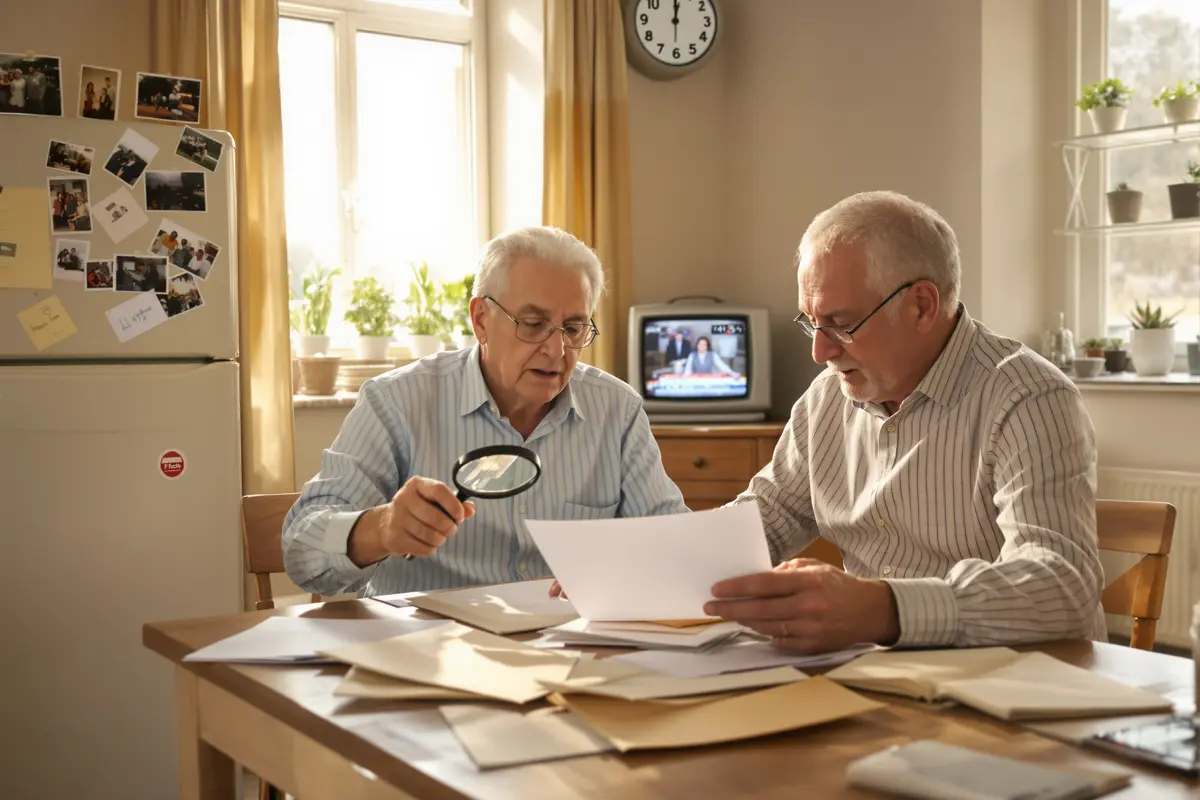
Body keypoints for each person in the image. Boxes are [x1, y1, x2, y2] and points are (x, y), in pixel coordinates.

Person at [702, 190, 1105, 653]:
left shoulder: (1029, 398)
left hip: (1018, 684)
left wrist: (883, 609)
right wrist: (665, 565)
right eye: (811, 323)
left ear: (922, 306)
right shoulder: (825, 400)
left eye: (840, 323)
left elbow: (1061, 586)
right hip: (881, 678)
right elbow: (765, 518)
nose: (820, 352)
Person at [283, 225, 688, 597]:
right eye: (533, 324)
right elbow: (301, 547)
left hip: (569, 653)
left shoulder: (617, 410)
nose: (556, 349)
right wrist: (382, 528)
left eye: (574, 328)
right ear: (480, 319)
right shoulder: (397, 402)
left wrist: (628, 567)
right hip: (427, 654)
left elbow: (674, 541)